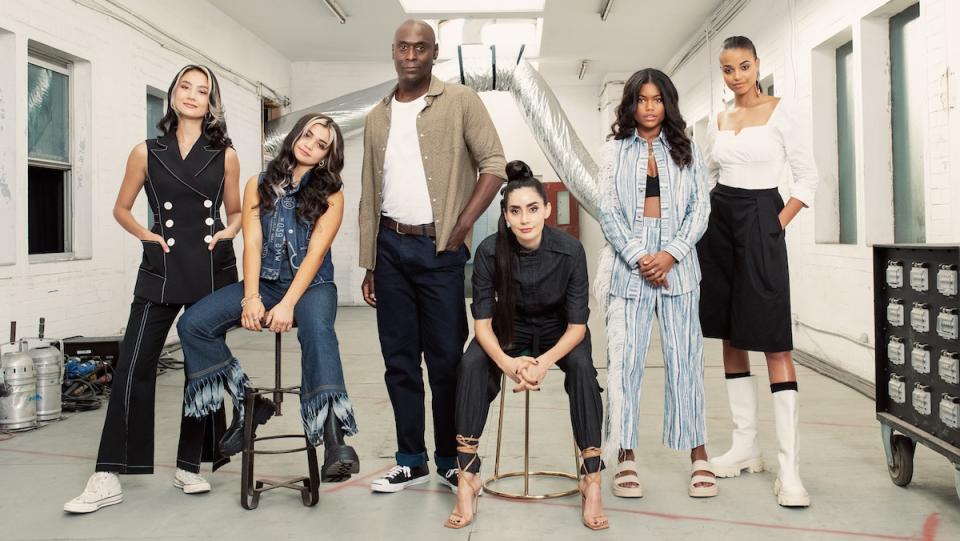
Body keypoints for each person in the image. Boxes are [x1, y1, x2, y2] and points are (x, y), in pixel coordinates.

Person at [65, 65, 240, 513]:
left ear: (210, 103)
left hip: (209, 268)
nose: (193, 95)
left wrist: (227, 232)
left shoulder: (226, 154)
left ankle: (189, 466)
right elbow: (122, 209)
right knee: (132, 366)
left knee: (199, 370)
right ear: (172, 95)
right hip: (160, 265)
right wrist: (146, 235)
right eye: (186, 87)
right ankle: (108, 472)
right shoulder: (146, 151)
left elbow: (237, 213)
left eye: (203, 91)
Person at [359, 19, 507, 493]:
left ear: (434, 53)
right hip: (389, 248)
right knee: (399, 359)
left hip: (439, 248)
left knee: (445, 359)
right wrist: (369, 262)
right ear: (394, 51)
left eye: (420, 48)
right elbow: (368, 190)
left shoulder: (460, 101)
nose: (411, 55)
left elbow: (495, 165)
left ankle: (449, 457)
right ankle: (410, 459)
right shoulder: (377, 115)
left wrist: (461, 226)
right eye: (403, 47)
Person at [174, 113, 359, 483]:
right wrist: (251, 297)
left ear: (325, 156)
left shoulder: (331, 194)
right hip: (268, 283)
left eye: (321, 144)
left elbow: (315, 255)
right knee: (192, 324)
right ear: (295, 135)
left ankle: (334, 440)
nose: (309, 144)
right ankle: (249, 403)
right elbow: (253, 244)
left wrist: (289, 304)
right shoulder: (257, 183)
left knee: (318, 331)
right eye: (307, 134)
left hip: (312, 286)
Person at [447, 161, 607, 530]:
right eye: (515, 211)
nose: (524, 219)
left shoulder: (570, 251)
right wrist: (507, 363)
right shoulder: (489, 251)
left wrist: (542, 363)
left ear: (548, 209)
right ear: (504, 215)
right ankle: (467, 475)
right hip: (509, 329)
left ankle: (591, 477)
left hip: (559, 332)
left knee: (583, 368)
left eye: (532, 209)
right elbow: (483, 326)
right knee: (471, 364)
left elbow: (577, 327)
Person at [699, 36, 819, 508]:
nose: (736, 76)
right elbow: (710, 172)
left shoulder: (780, 112)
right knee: (730, 335)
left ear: (757, 65)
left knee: (772, 339)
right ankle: (746, 446)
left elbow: (808, 176)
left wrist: (776, 223)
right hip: (721, 221)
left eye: (743, 66)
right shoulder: (722, 118)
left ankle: (789, 469)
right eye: (728, 69)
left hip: (762, 216)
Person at [599, 68, 715, 500]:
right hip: (630, 270)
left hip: (679, 268)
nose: (649, 107)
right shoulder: (615, 151)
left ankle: (698, 454)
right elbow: (606, 209)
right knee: (625, 363)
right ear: (631, 104)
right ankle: (625, 455)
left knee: (685, 360)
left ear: (668, 103)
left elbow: (700, 208)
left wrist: (670, 254)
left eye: (657, 99)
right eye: (641, 100)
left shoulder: (688, 149)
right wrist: (639, 256)